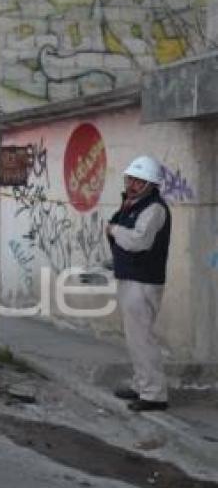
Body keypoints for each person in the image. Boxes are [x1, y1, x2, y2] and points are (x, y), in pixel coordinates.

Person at [106, 156, 172, 412]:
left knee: (142, 338)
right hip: (132, 278)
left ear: (150, 184)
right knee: (135, 338)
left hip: (143, 282)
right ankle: (142, 384)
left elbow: (138, 242)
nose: (132, 183)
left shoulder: (154, 208)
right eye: (131, 179)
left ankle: (154, 394)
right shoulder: (134, 204)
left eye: (138, 180)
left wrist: (113, 231)